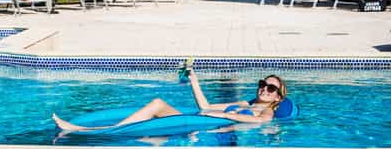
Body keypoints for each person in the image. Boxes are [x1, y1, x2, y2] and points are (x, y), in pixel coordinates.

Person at [52, 70, 287, 131]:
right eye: (262, 84)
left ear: (277, 96)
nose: (264, 89)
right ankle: (112, 128)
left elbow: (261, 124)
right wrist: (194, 79)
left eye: (270, 88)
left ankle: (104, 130)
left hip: (201, 125)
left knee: (155, 105)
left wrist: (225, 115)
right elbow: (205, 107)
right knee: (157, 103)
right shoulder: (245, 104)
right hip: (199, 119)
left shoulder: (268, 111)